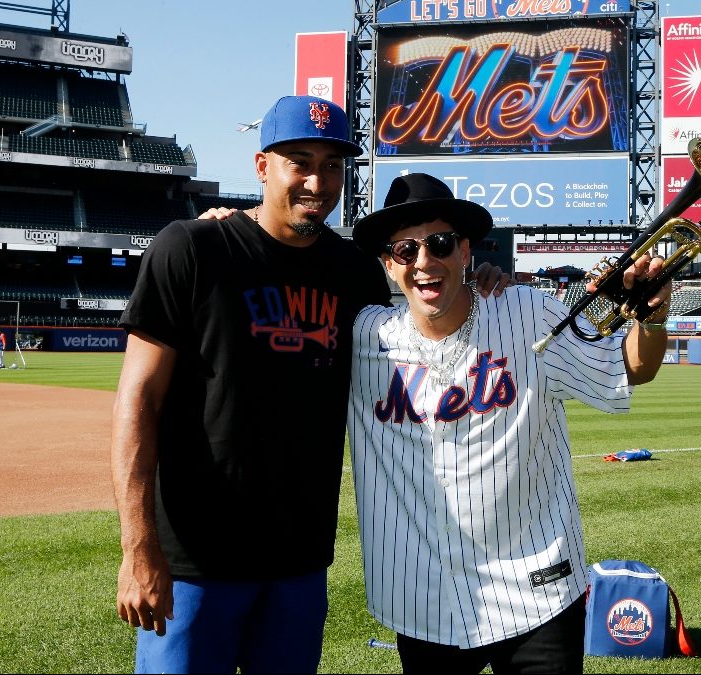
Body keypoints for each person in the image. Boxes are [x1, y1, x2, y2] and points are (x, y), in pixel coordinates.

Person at [110, 96, 508, 675]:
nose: (317, 181)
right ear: (262, 165)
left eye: (332, 165)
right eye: (299, 161)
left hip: (298, 563)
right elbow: (137, 401)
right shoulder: (193, 249)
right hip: (195, 560)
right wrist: (137, 548)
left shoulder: (354, 274)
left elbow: (429, 325)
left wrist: (482, 284)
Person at [345, 173, 674, 674]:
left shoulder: (530, 314)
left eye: (439, 244)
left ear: (465, 250)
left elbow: (630, 367)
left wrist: (650, 317)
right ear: (389, 266)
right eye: (405, 250)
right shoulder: (365, 336)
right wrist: (224, 231)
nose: (424, 262)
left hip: (535, 594)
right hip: (423, 600)